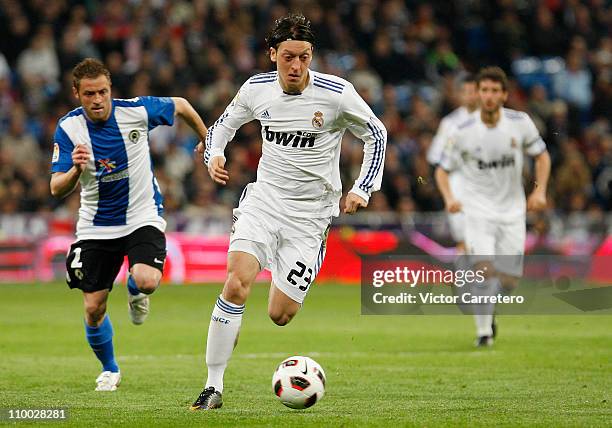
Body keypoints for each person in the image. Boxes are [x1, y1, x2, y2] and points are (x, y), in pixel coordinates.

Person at [191, 14, 387, 410]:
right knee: (235, 282)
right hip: (264, 202)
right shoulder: (256, 89)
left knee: (281, 315)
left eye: (304, 57)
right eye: (288, 57)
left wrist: (362, 188)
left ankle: (282, 280)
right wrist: (213, 154)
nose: (296, 66)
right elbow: (222, 126)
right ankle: (213, 386)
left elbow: (376, 134)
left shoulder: (336, 94)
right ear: (272, 55)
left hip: (310, 218)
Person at [50, 58, 208, 391]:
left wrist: (208, 139)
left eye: (103, 92)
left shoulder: (135, 111)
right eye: (90, 93)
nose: (98, 100)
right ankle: (110, 369)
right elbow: (55, 187)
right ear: (77, 93)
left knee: (148, 280)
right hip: (96, 227)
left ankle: (136, 290)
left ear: (111, 90)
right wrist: (76, 171)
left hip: (142, 216)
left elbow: (180, 105)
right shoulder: (68, 129)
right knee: (93, 307)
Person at [435, 66, 550, 347]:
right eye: (484, 90)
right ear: (479, 93)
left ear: (505, 95)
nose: (488, 96)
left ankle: (488, 304)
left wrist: (540, 191)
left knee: (509, 281)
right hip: (477, 213)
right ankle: (484, 332)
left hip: (512, 212)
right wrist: (450, 198)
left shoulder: (520, 122)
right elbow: (441, 170)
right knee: (484, 270)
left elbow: (542, 156)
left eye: (494, 91)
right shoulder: (462, 131)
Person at [427, 74, 479, 253]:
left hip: (486, 178)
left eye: (474, 91)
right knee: (462, 235)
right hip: (459, 180)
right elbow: (435, 156)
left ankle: (488, 278)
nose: (470, 96)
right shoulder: (450, 123)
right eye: (466, 92)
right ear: (459, 95)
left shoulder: (492, 120)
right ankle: (465, 278)